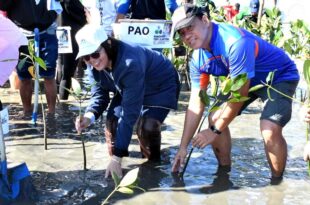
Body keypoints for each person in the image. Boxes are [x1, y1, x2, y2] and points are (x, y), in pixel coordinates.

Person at [170, 4, 299, 179]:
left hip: (278, 76)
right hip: (244, 79)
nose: (187, 36)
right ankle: (224, 175)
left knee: (269, 128)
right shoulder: (197, 59)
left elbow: (239, 95)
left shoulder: (235, 42)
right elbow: (196, 102)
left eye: (190, 27)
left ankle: (276, 184)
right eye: (182, 33)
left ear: (205, 20)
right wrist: (182, 147)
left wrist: (213, 132)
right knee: (214, 117)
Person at [74, 24, 180, 178]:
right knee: (112, 122)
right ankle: (115, 170)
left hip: (160, 83)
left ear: (108, 44)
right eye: (86, 56)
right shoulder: (91, 64)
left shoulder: (130, 62)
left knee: (147, 128)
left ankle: (152, 169)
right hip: (127, 84)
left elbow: (129, 114)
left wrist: (117, 157)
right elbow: (99, 94)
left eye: (95, 54)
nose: (92, 61)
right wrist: (89, 117)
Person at [0, 0, 62, 116]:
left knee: (49, 75)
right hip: (22, 33)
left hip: (47, 32)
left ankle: (51, 114)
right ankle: (27, 111)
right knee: (24, 77)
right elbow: (3, 5)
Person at [57, 0, 87, 100]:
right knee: (67, 72)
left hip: (59, 31)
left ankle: (60, 102)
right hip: (70, 33)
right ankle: (63, 103)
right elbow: (79, 15)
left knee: (61, 68)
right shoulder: (69, 1)